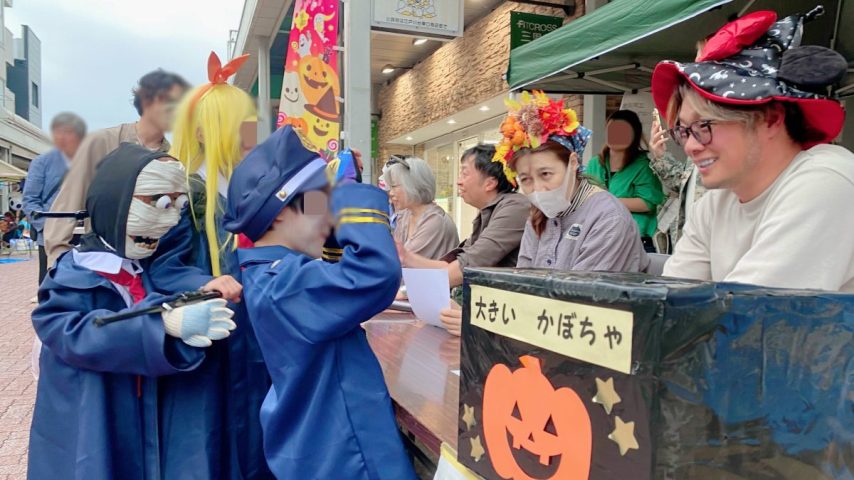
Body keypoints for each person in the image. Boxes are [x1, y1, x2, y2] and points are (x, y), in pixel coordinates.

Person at [29, 144, 241, 479]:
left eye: (178, 206)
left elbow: (172, 272)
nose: (171, 218)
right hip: (98, 424)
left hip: (146, 425)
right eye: (159, 203)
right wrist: (161, 325)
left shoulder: (143, 269)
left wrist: (198, 295)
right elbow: (69, 332)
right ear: (116, 199)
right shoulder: (73, 275)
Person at [223, 126, 417, 479]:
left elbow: (336, 270)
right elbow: (375, 273)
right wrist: (350, 197)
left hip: (321, 446)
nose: (329, 214)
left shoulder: (271, 274)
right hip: (344, 453)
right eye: (318, 202)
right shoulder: (283, 284)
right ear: (279, 213)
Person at [651, 9, 854, 292]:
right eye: (683, 131)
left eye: (704, 126)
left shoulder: (827, 179)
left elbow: (749, 314)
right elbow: (669, 302)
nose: (691, 146)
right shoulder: (714, 203)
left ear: (770, 119)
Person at [147, 52, 272, 479]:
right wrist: (206, 282)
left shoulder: (242, 186)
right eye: (241, 124)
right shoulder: (187, 192)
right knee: (207, 440)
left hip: (249, 339)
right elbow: (161, 266)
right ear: (204, 130)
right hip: (208, 335)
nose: (251, 133)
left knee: (250, 434)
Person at [439, 92, 649, 336]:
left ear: (572, 163)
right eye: (526, 180)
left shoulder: (608, 219)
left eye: (546, 174)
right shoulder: (538, 217)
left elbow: (579, 308)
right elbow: (524, 288)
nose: (537, 189)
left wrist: (483, 321)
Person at [45, 69, 189, 265]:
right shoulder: (102, 142)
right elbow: (67, 204)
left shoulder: (174, 159)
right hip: (101, 261)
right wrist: (58, 262)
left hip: (152, 263)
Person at [398, 144, 530, 288]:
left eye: (464, 174)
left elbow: (468, 265)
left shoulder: (515, 207)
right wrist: (405, 256)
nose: (458, 181)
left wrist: (407, 292)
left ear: (490, 183)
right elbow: (454, 265)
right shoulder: (488, 212)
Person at [585, 110, 665, 252]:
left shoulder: (644, 165)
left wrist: (605, 200)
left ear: (634, 135)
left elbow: (648, 203)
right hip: (598, 237)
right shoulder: (594, 163)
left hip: (635, 240)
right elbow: (584, 196)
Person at [23, 112, 87, 289]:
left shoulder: (88, 162)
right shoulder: (42, 162)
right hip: (51, 236)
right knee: (50, 282)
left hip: (83, 235)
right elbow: (30, 200)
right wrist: (47, 228)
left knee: (82, 282)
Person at [387, 155, 459, 260]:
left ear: (413, 185)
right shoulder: (405, 215)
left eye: (394, 186)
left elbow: (400, 260)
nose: (391, 193)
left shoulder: (435, 220)